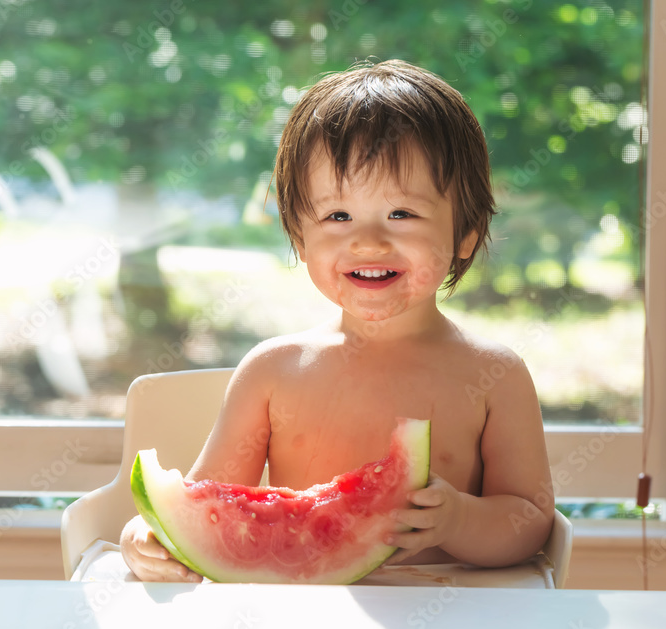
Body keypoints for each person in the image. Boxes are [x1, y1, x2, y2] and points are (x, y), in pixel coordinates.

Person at [120, 59, 554, 582]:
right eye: (337, 216)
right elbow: (204, 505)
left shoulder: (495, 375)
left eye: (402, 214)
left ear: (466, 232)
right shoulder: (272, 370)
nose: (368, 241)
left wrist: (459, 518)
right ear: (299, 237)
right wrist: (150, 536)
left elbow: (530, 522)